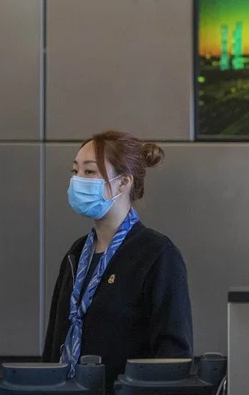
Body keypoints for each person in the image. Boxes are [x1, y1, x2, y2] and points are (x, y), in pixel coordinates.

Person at [42, 130, 193, 391]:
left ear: (123, 183)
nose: (78, 180)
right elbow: (54, 339)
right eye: (75, 171)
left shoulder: (156, 254)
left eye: (90, 172)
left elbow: (173, 354)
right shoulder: (76, 254)